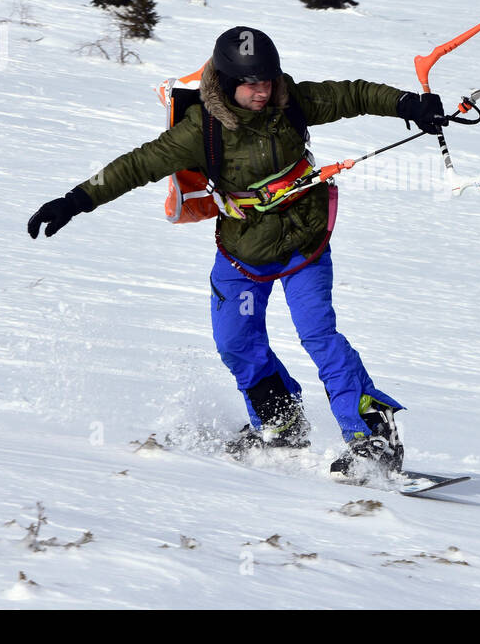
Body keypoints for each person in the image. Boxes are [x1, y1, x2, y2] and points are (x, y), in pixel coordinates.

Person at [27, 26, 447, 476]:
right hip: (243, 252)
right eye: (250, 83)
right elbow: (138, 165)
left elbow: (352, 95)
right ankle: (280, 422)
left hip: (305, 245)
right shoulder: (201, 131)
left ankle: (371, 437)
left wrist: (407, 104)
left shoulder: (291, 104)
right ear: (226, 84)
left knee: (318, 335)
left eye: (267, 80)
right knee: (235, 341)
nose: (262, 92)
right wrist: (75, 200)